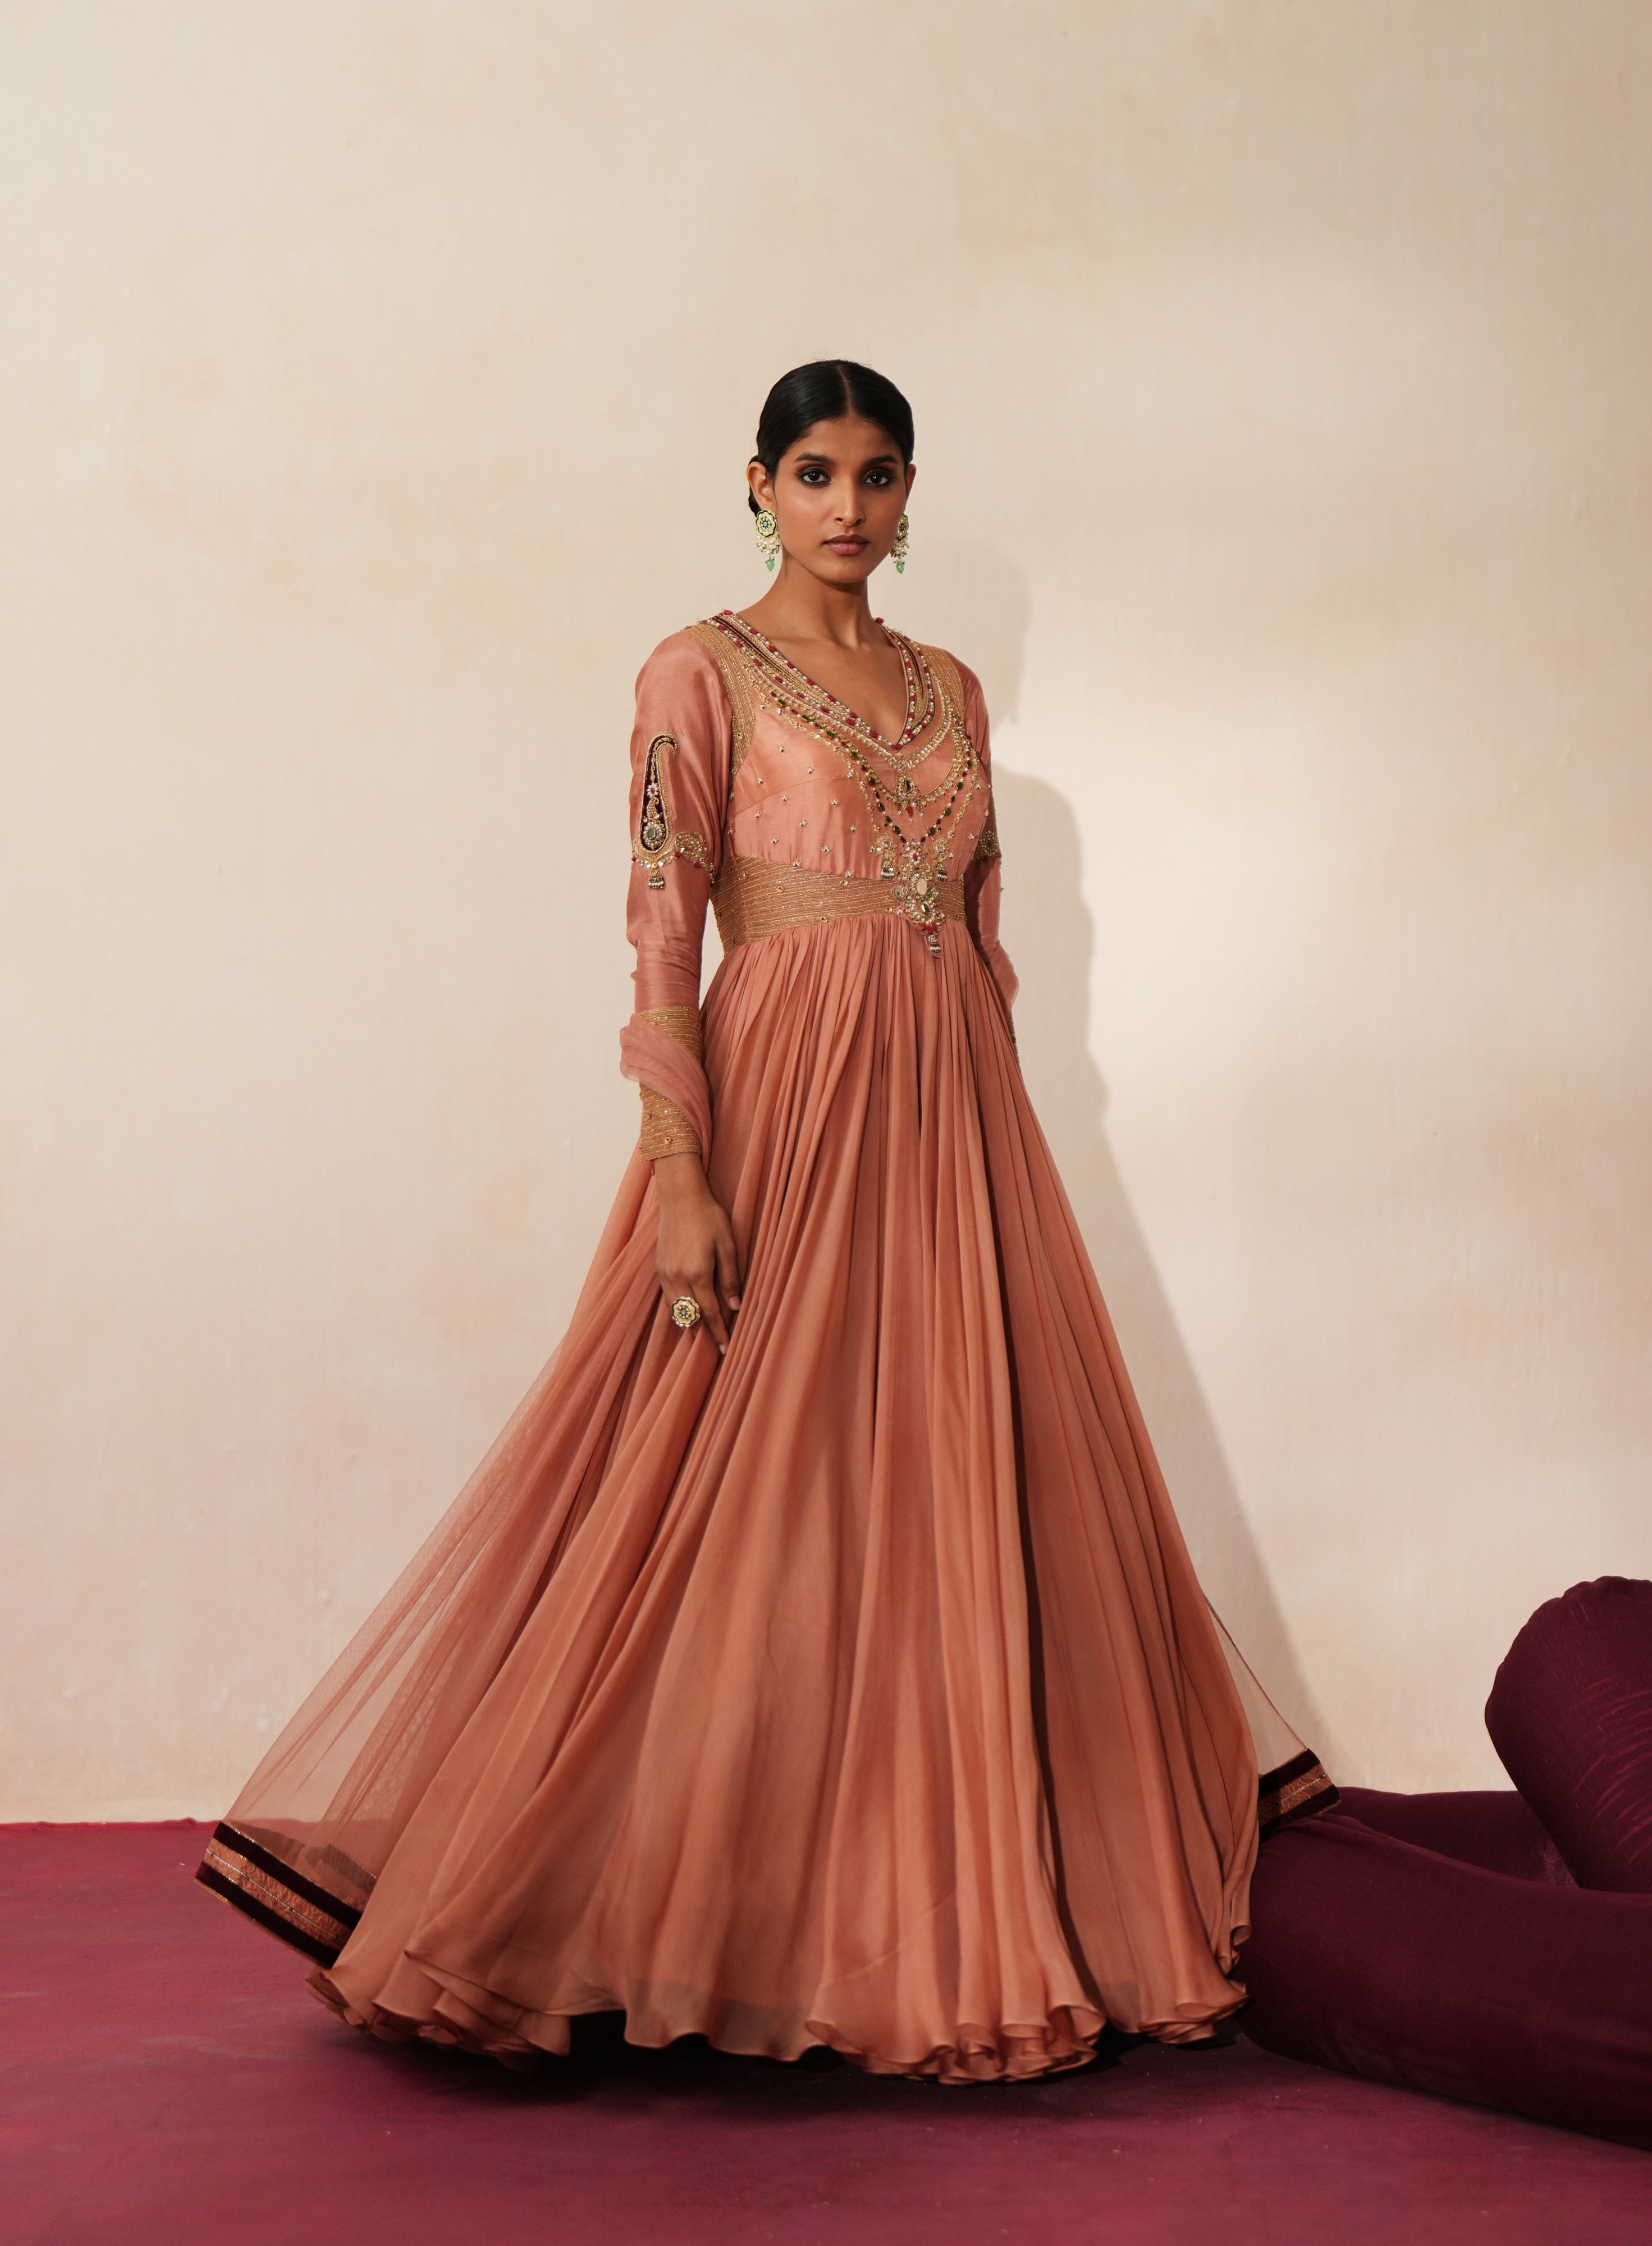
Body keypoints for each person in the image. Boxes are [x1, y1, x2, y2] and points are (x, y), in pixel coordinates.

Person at [198, 360, 1334, 2084]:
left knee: (947, 1482)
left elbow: (981, 933)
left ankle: (943, 1901)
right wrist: (681, 1170)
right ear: (757, 484)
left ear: (907, 494)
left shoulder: (948, 688)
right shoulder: (696, 671)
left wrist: (994, 1148)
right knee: (718, 1486)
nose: (850, 507)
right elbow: (663, 927)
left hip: (952, 1125)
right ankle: (641, 1906)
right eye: (815, 473)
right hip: (784, 1101)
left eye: (881, 476)